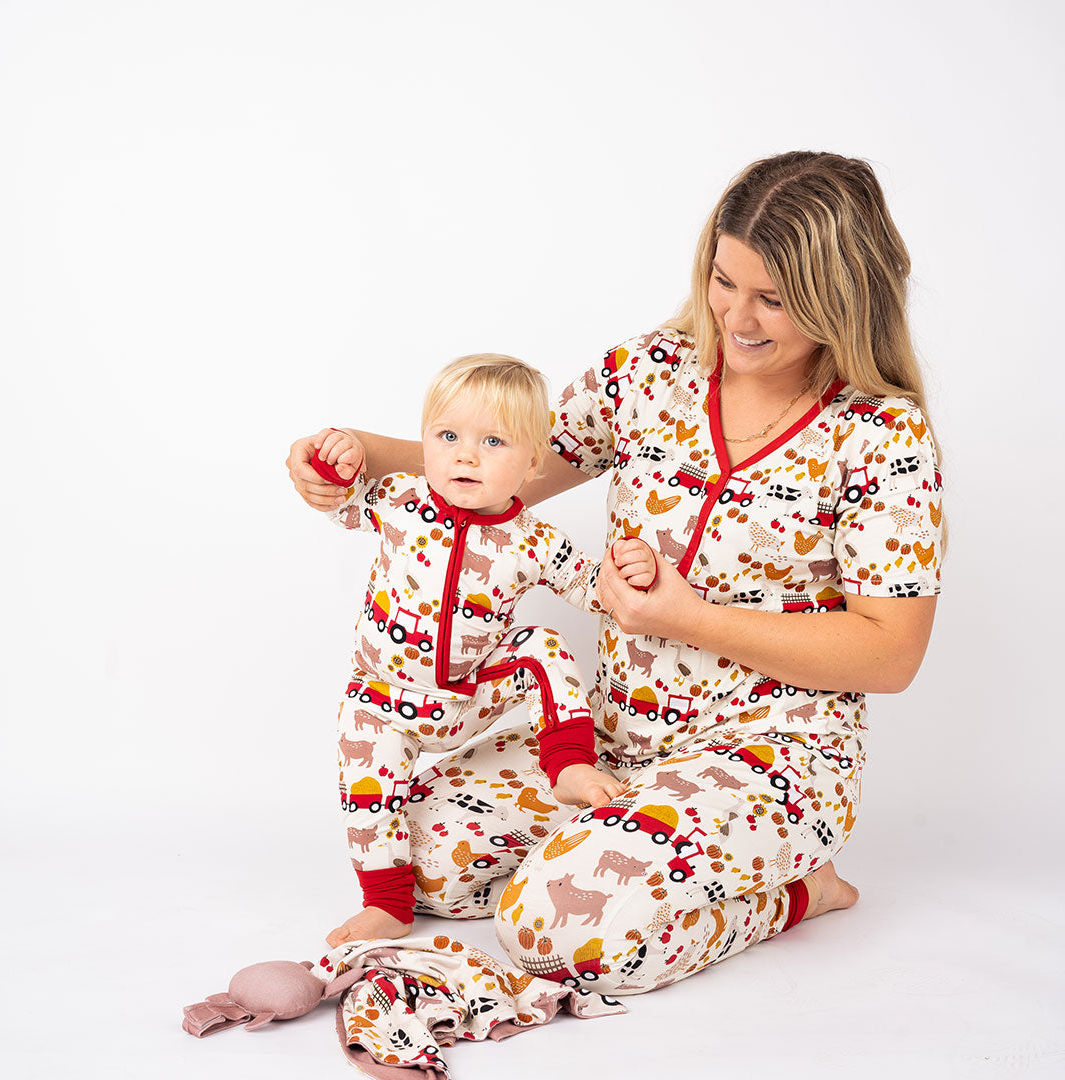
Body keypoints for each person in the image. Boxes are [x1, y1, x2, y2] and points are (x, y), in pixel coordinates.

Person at [287, 151, 942, 993]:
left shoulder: (882, 436)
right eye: (724, 279)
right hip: (615, 740)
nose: (737, 316)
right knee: (426, 863)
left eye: (773, 299)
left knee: (553, 931)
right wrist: (358, 456)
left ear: (839, 296)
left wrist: (684, 617)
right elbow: (509, 468)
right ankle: (624, 842)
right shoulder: (649, 372)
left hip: (773, 753)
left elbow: (890, 655)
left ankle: (799, 893)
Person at [317, 353, 656, 947]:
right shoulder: (398, 499)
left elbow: (591, 591)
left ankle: (567, 763)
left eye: (492, 441)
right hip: (383, 699)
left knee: (541, 645)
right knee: (367, 795)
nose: (464, 455)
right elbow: (342, 502)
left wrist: (630, 572)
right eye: (447, 436)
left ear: (531, 464)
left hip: (472, 693)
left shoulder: (532, 540)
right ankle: (388, 904)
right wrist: (336, 466)